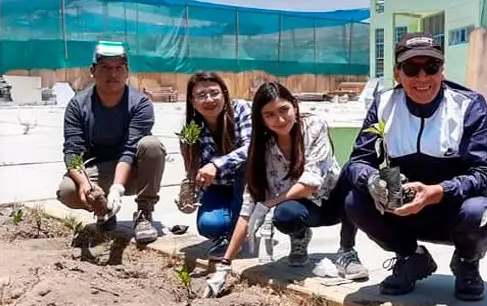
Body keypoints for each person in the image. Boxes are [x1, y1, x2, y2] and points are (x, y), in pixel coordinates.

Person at [342, 32, 487, 301]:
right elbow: (358, 161)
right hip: (401, 210)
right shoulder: (383, 104)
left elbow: (485, 175)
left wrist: (438, 191)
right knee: (354, 201)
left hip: (454, 211)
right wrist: (372, 180)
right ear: (397, 74)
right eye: (411, 69)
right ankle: (411, 257)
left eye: (431, 67)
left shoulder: (469, 106)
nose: (422, 77)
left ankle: (467, 262)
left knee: (480, 211)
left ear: (442, 70)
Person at [213, 81, 369, 281]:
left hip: (334, 202)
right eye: (269, 115)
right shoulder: (262, 147)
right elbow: (249, 206)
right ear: (261, 119)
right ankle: (299, 236)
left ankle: (347, 250)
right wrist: (225, 264)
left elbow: (311, 183)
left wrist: (268, 205)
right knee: (285, 215)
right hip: (305, 208)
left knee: (351, 173)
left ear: (294, 105)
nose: (279, 119)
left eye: (283, 110)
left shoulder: (313, 126)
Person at [57, 41, 166, 245]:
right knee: (68, 191)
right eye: (105, 67)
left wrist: (117, 188)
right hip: (98, 170)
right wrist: (84, 184)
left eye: (119, 68)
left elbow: (130, 148)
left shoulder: (140, 103)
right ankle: (102, 210)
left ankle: (144, 213)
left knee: (152, 146)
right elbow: (72, 152)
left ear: (127, 72)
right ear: (93, 71)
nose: (113, 74)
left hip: (134, 171)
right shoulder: (78, 105)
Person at [179, 72, 252, 261]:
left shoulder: (241, 109)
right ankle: (234, 228)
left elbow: (252, 148)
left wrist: (216, 164)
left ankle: (237, 233)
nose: (209, 100)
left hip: (247, 185)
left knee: (246, 167)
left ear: (224, 94)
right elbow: (193, 170)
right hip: (218, 187)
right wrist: (190, 195)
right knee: (208, 226)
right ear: (192, 101)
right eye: (201, 95)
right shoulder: (190, 129)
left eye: (214, 93)